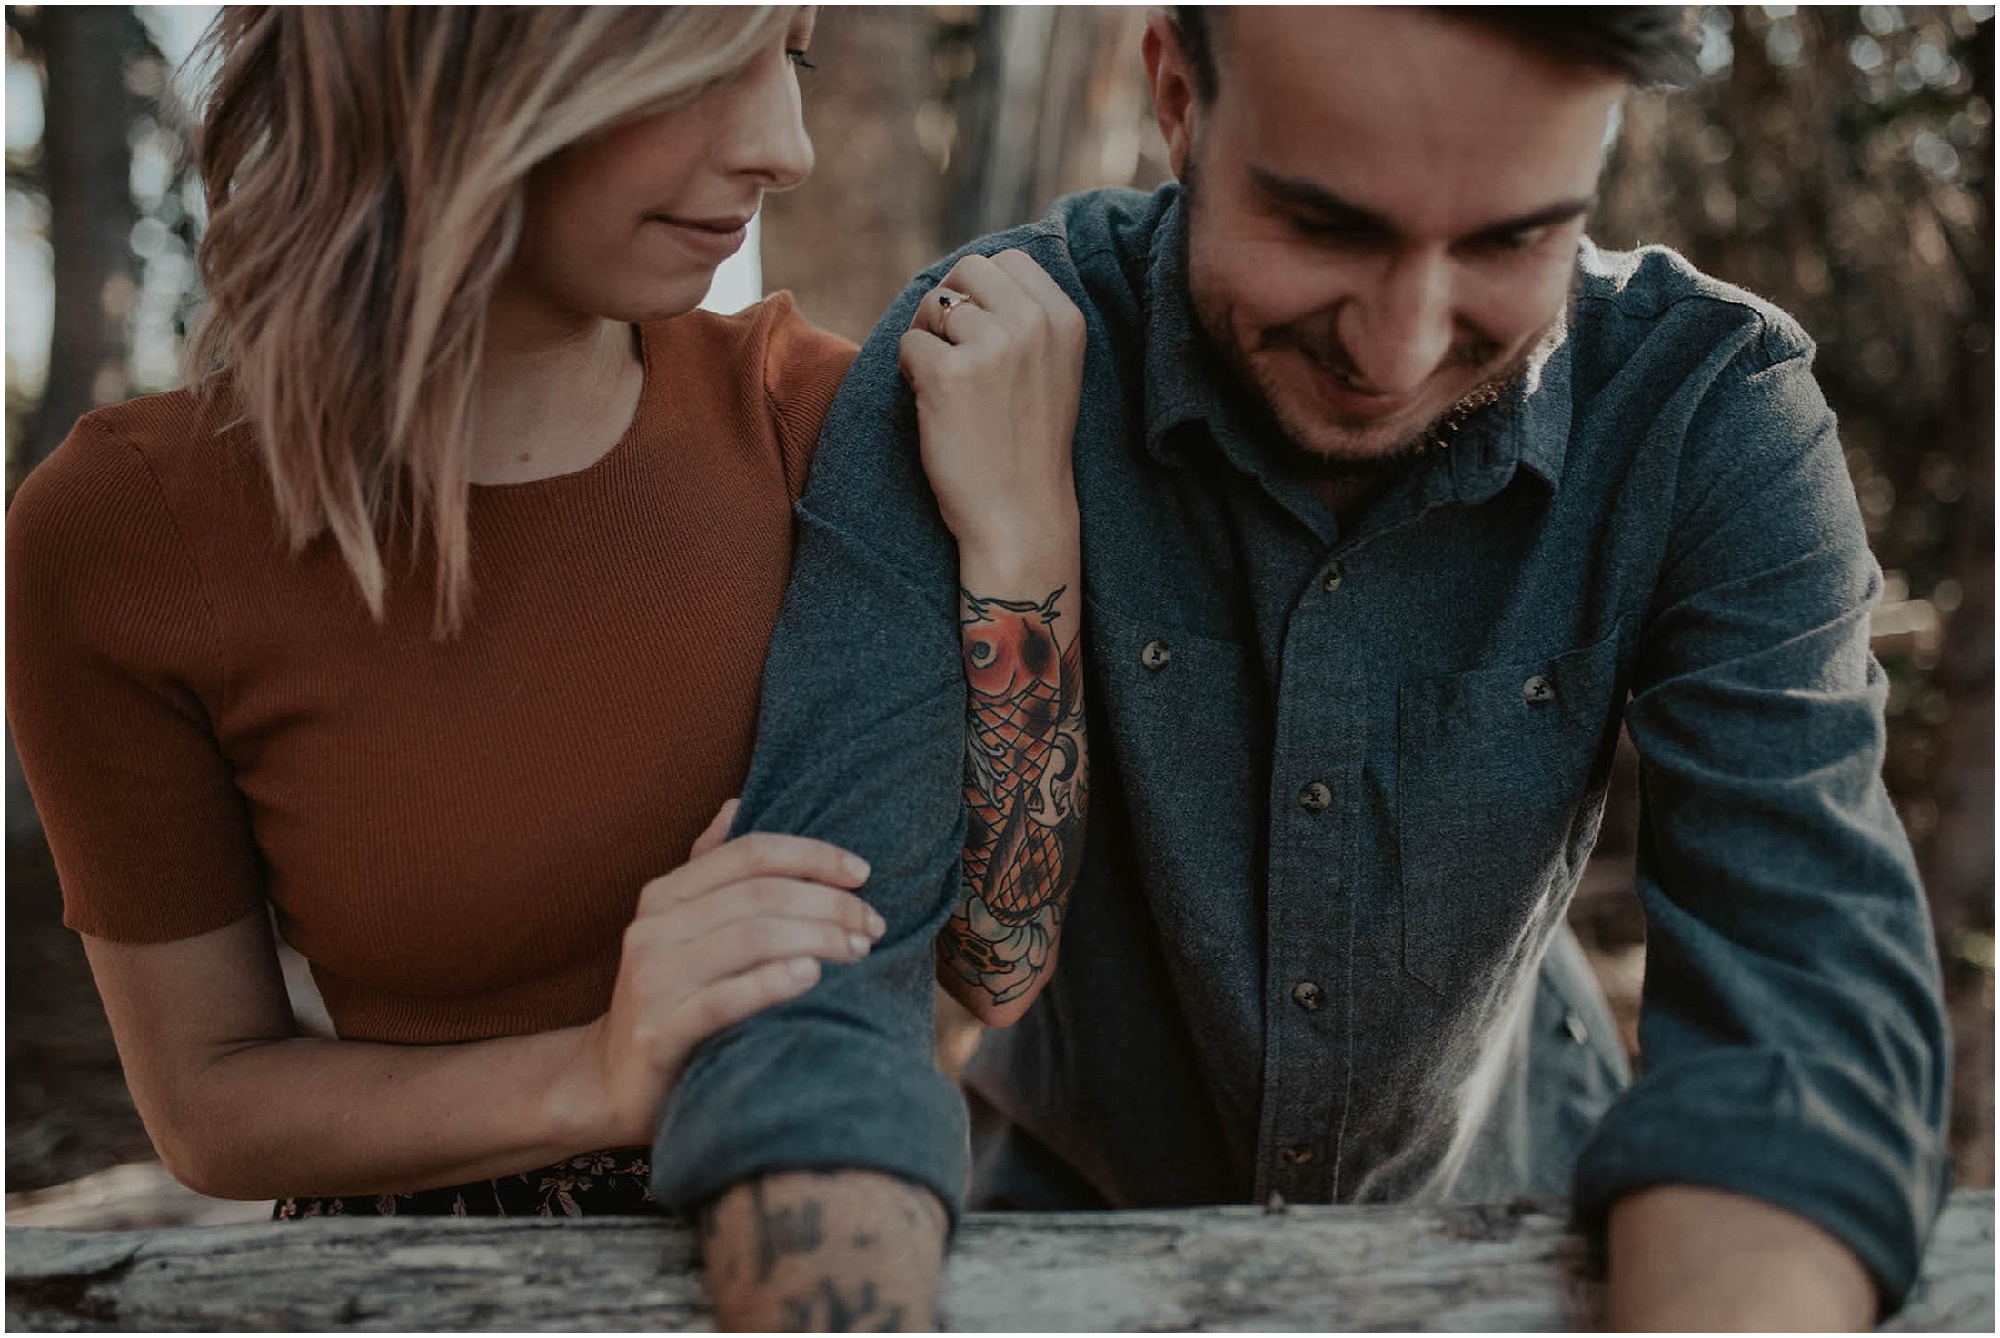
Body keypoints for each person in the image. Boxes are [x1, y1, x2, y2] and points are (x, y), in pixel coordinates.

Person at [655, 7, 1951, 1331]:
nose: (1394, 352)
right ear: (1177, 95)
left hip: (1514, 1233)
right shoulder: (968, 352)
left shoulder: (1710, 409)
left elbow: (1799, 1022)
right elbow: (826, 987)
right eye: (1327, 225)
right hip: (1050, 1246)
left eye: (1510, 238)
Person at [4, 5, 1087, 1229]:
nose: (786, 148)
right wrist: (596, 1074)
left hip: (832, 1231)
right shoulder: (123, 531)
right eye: (695, 68)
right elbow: (207, 1103)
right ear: (456, 58)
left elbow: (996, 963)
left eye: (789, 58)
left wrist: (1021, 538)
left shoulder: (812, 421)